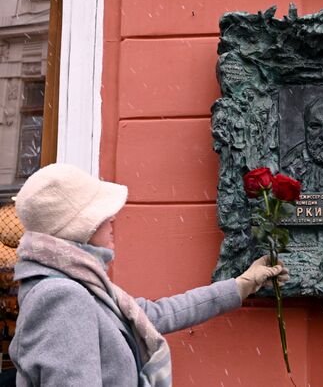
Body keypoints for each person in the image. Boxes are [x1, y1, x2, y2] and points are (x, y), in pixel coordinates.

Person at [9, 163, 288, 386]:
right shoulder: (63, 297)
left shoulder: (82, 284)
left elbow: (156, 314)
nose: (112, 220)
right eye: (102, 214)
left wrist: (241, 285)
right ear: (77, 228)